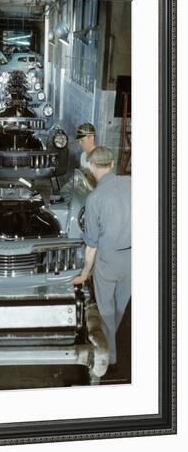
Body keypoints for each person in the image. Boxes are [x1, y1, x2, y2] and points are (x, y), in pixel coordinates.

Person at [72, 146, 131, 365]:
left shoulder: (94, 198)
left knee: (106, 312)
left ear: (92, 166)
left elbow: (92, 245)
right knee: (120, 307)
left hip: (108, 261)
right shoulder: (132, 184)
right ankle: (111, 344)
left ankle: (109, 358)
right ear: (113, 164)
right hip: (134, 259)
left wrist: (85, 273)